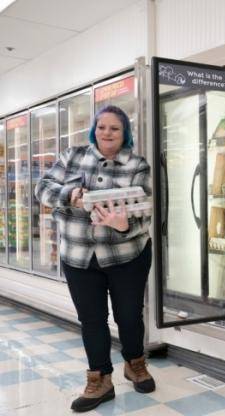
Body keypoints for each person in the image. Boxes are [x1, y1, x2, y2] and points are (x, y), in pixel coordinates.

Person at [35, 105, 155, 413]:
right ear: (94, 130)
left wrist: (123, 225)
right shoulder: (72, 157)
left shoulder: (137, 165)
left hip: (127, 255)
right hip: (79, 256)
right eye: (102, 127)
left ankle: (135, 363)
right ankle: (100, 380)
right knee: (91, 320)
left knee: (129, 316)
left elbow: (147, 211)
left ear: (125, 133)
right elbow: (42, 188)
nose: (107, 133)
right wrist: (70, 195)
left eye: (115, 128)